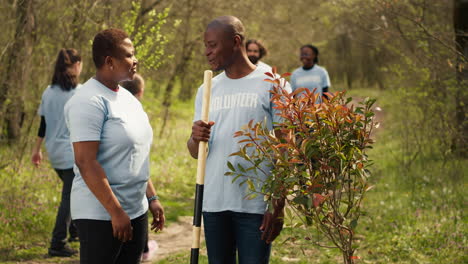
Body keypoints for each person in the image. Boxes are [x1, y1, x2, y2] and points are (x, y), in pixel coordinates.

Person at [187, 16, 285, 264]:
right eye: (205, 46)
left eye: (212, 45)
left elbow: (288, 148)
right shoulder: (208, 88)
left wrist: (278, 203)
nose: (207, 53)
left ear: (235, 41)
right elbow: (195, 152)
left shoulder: (272, 82)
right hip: (213, 205)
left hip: (255, 206)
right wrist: (194, 137)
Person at [64, 28, 165, 264]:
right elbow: (85, 161)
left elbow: (135, 153)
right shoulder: (87, 101)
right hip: (101, 215)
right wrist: (115, 211)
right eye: (129, 55)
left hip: (135, 209)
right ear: (109, 61)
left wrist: (152, 198)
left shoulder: (128, 98)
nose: (135, 60)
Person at [31, 48, 82, 257]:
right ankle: (57, 243)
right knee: (69, 198)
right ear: (76, 66)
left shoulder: (48, 91)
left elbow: (43, 125)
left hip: (54, 153)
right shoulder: (78, 93)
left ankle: (75, 231)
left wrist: (36, 150)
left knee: (74, 193)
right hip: (71, 154)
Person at [120, 74, 159, 263]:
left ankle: (143, 248)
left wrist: (152, 197)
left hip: (137, 201)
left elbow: (140, 161)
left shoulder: (138, 115)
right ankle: (144, 249)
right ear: (140, 92)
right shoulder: (129, 115)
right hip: (120, 200)